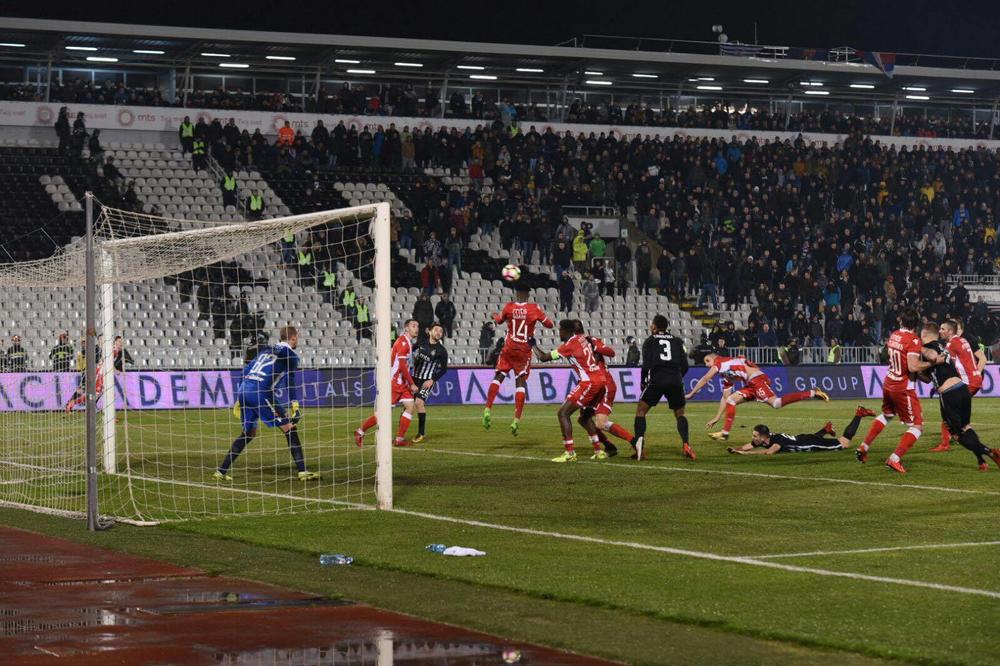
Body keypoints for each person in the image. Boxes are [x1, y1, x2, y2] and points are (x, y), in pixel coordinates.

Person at [215, 326, 318, 481]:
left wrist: (238, 398)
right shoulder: (292, 356)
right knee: (290, 428)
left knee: (248, 433)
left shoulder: (266, 350)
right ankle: (303, 471)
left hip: (245, 389)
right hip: (261, 392)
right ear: (294, 337)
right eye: (298, 337)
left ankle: (221, 471)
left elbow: (245, 371)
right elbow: (289, 382)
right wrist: (295, 405)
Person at [855, 309, 933, 473]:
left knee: (887, 415)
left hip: (889, 382)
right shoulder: (913, 340)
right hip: (903, 388)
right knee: (917, 426)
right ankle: (894, 459)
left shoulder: (894, 335)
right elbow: (912, 366)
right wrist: (933, 363)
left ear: (901, 321)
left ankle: (864, 446)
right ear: (916, 325)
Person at [686, 353, 829, 441]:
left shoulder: (720, 362)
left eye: (707, 361)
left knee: (777, 403)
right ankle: (725, 433)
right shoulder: (726, 374)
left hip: (757, 380)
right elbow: (725, 398)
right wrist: (717, 417)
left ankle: (812, 393)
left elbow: (705, 379)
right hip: (751, 384)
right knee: (731, 400)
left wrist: (692, 393)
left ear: (713, 358)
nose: (706, 365)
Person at [919, 322, 1000, 470]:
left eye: (944, 329)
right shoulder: (953, 343)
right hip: (962, 387)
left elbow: (933, 361)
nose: (942, 331)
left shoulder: (945, 346)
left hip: (953, 390)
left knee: (956, 433)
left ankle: (989, 452)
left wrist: (917, 352)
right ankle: (981, 460)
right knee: (966, 426)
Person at [531, 319, 609, 462]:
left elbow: (542, 358)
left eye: (560, 330)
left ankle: (570, 453)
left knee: (563, 413)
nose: (558, 333)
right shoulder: (581, 339)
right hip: (601, 380)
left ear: (565, 331)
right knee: (585, 417)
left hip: (589, 382)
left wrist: (533, 345)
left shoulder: (569, 346)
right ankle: (599, 451)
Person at [482, 283, 554, 436]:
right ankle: (516, 420)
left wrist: (493, 315)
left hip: (508, 348)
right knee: (520, 382)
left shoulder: (509, 307)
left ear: (516, 293)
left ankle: (488, 408)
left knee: (499, 376)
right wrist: (540, 317)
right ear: (527, 294)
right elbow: (550, 325)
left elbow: (499, 320)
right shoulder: (534, 308)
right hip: (524, 350)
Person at [633, 315, 692, 461]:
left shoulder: (650, 341)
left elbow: (646, 365)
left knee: (641, 411)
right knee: (680, 414)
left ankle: (640, 445)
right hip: (675, 380)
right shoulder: (677, 341)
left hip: (657, 379)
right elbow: (685, 366)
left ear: (654, 326)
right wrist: (677, 378)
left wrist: (643, 381)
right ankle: (686, 444)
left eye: (651, 325)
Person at [355, 319, 421, 447]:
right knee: (383, 414)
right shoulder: (402, 342)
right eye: (413, 326)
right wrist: (412, 383)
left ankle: (399, 439)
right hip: (394, 383)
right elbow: (402, 366)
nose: (416, 328)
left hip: (401, 383)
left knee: (410, 406)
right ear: (406, 328)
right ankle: (360, 431)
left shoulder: (407, 342)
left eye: (417, 326)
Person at [574, 322, 635, 457]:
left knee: (600, 423)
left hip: (603, 384)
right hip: (591, 385)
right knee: (583, 419)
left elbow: (611, 352)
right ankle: (609, 446)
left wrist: (595, 346)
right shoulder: (573, 345)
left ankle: (634, 441)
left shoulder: (591, 340)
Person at [932, 318, 987, 452]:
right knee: (962, 422)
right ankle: (981, 454)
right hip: (974, 380)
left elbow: (946, 363)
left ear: (951, 331)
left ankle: (946, 444)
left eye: (943, 329)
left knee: (948, 413)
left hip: (967, 382)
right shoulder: (963, 340)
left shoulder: (951, 345)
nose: (940, 331)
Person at [727, 408, 874, 456]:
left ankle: (859, 414)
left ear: (763, 436)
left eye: (755, 436)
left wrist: (746, 454)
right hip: (802, 438)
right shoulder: (764, 438)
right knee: (805, 439)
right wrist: (736, 449)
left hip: (810, 442)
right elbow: (749, 445)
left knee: (844, 443)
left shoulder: (776, 441)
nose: (753, 439)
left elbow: (769, 452)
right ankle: (826, 429)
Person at [411, 323, 450, 444]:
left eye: (441, 331)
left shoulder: (442, 351)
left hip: (427, 381)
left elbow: (443, 369)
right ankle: (400, 436)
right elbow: (409, 353)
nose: (439, 333)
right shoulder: (420, 343)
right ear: (430, 331)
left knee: (419, 403)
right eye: (436, 330)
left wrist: (432, 380)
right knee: (408, 406)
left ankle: (421, 433)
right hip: (414, 379)